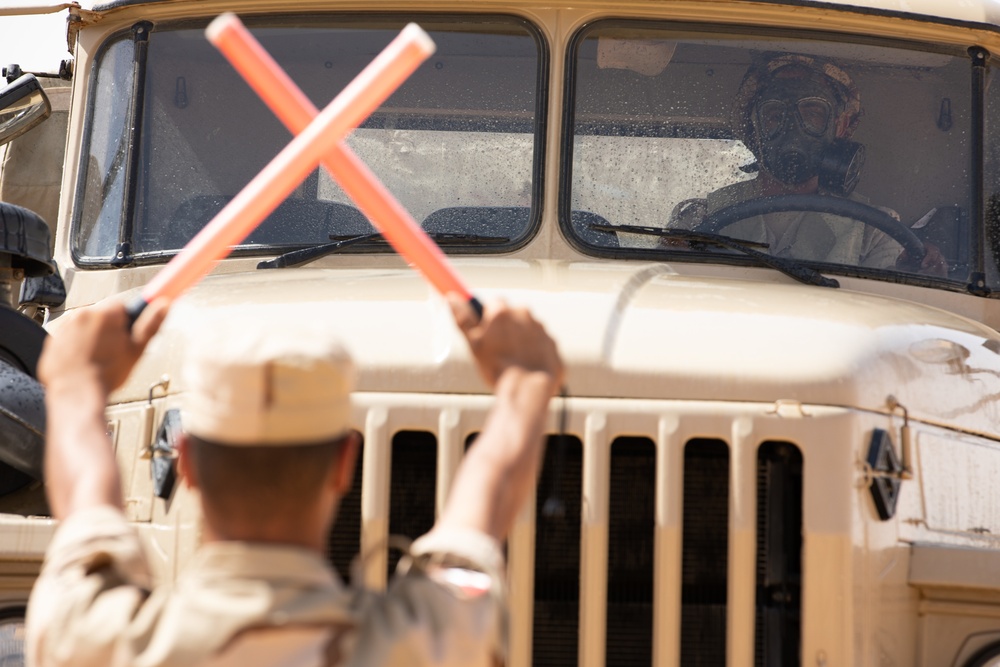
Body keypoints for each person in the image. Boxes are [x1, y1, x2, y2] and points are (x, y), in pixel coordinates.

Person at [25, 294, 564, 667]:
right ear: (344, 464)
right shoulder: (426, 640)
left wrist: (79, 386)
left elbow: (88, 510)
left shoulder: (95, 639)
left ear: (184, 461)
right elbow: (480, 512)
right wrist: (527, 383)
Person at [667, 52, 947, 275]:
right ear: (754, 129)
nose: (793, 129)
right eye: (775, 114)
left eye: (812, 113)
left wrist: (913, 269)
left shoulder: (875, 230)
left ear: (841, 125)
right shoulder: (699, 219)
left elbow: (888, 309)